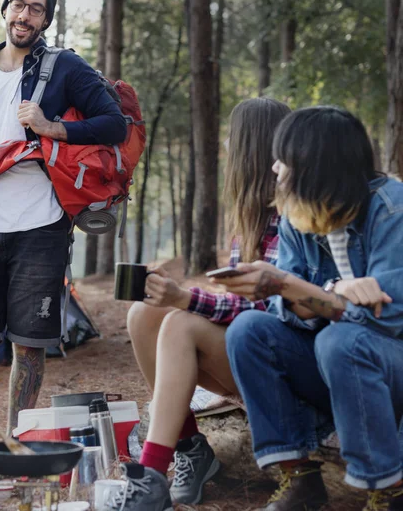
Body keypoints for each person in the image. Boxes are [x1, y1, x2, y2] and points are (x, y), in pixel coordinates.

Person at [0, 0, 126, 476]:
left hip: (42, 228)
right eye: (18, 5)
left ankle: (15, 445)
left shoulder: (62, 66)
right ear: (5, 9)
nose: (25, 16)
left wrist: (54, 128)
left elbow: (113, 123)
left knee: (29, 346)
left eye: (37, 10)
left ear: (46, 20)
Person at [216, 106, 403, 511]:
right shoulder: (296, 217)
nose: (276, 168)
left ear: (315, 163)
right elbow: (288, 310)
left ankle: (389, 491)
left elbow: (388, 319)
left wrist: (301, 290)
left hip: (390, 366)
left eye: (284, 158)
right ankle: (299, 477)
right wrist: (330, 291)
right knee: (249, 330)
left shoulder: (392, 209)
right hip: (334, 362)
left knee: (342, 340)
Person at [110, 98, 291, 511]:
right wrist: (180, 297)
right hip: (251, 347)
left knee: (179, 324)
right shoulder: (249, 219)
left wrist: (188, 300)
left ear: (252, 147)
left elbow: (271, 311)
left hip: (280, 362)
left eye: (232, 139)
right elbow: (241, 300)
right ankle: (190, 447)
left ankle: (152, 475)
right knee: (144, 313)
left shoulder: (293, 216)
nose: (227, 147)